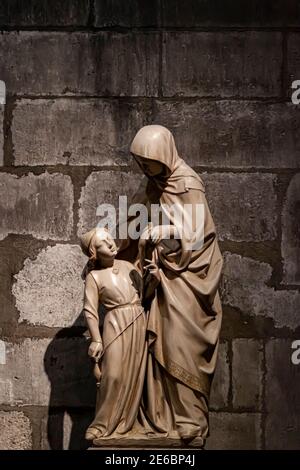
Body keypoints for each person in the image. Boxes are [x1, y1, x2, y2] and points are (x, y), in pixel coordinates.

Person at [118, 125, 224, 446]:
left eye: (149, 162)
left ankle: (191, 420)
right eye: (141, 163)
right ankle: (164, 416)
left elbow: (198, 233)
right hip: (163, 278)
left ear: (164, 155)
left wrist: (161, 231)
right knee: (160, 344)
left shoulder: (188, 183)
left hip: (191, 280)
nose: (145, 169)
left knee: (182, 344)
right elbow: (132, 224)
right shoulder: (156, 185)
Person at [79, 227, 147, 442]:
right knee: (113, 374)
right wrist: (96, 339)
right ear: (94, 253)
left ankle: (130, 422)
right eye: (103, 243)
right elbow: (90, 309)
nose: (110, 243)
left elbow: (145, 292)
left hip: (138, 319)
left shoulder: (128, 266)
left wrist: (153, 277)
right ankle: (102, 424)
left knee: (138, 373)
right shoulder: (95, 277)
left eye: (110, 238)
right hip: (115, 322)